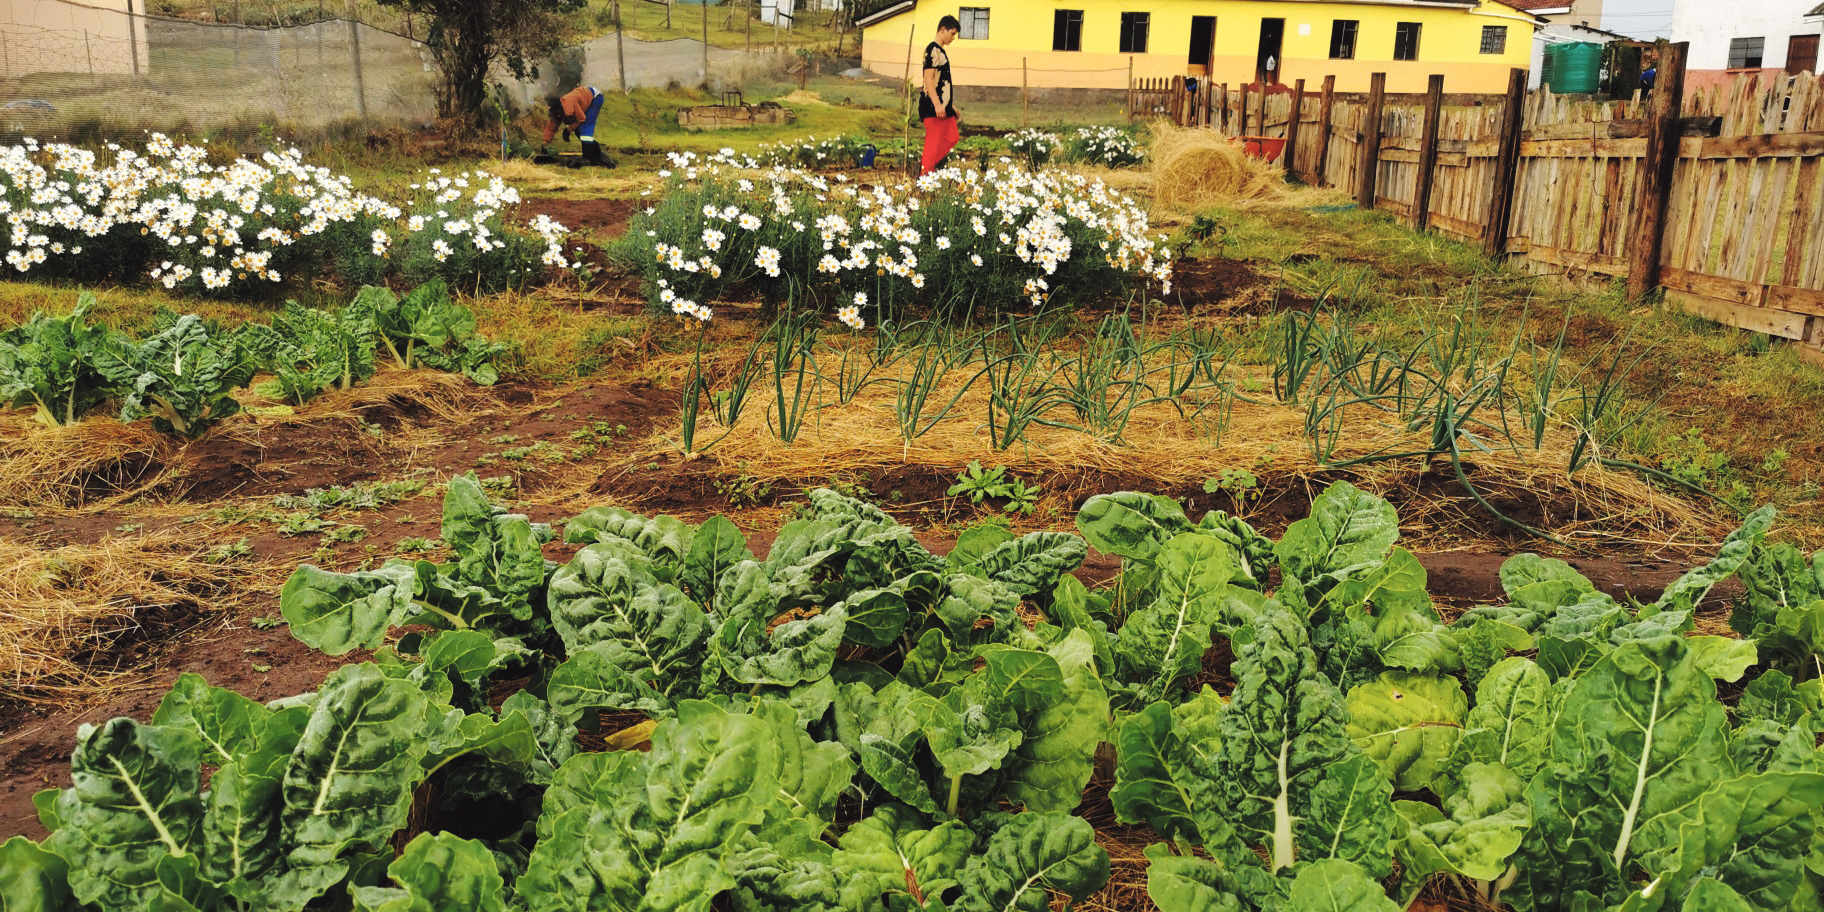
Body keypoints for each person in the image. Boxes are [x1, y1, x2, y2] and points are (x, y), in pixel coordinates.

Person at [919, 16, 961, 175]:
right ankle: (925, 176)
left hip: (943, 105)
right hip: (932, 106)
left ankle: (926, 164)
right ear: (943, 30)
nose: (953, 38)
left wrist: (949, 105)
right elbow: (928, 79)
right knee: (932, 144)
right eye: (952, 33)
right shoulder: (932, 50)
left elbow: (940, 81)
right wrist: (937, 104)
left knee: (952, 136)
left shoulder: (940, 51)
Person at [545, 86, 611, 167]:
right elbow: (551, 127)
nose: (557, 115)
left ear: (561, 108)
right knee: (578, 131)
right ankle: (597, 155)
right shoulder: (558, 110)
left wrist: (568, 130)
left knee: (585, 131)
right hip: (584, 100)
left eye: (557, 113)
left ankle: (587, 159)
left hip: (595, 98)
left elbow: (581, 119)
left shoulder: (570, 106)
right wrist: (545, 143)